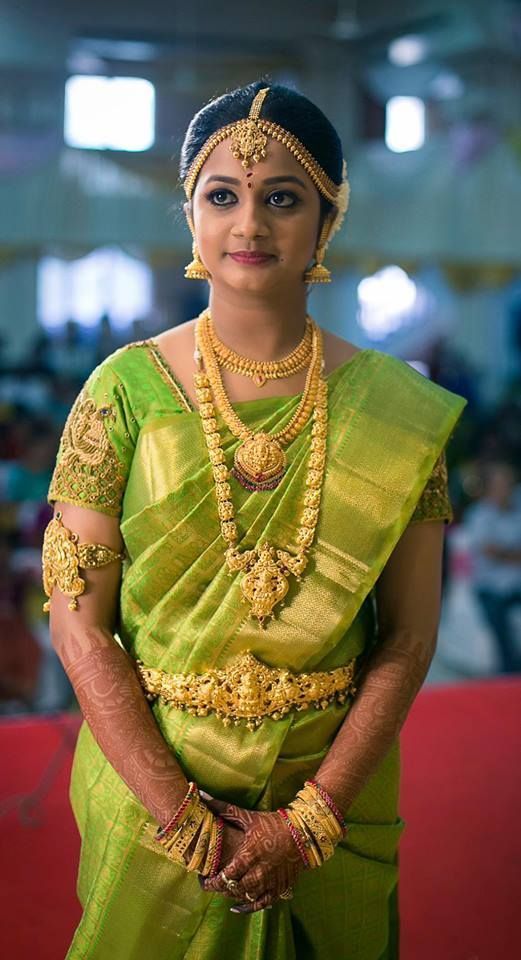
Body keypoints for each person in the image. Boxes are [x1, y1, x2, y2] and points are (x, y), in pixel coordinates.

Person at [43, 81, 467, 960]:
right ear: (189, 214)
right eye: (222, 196)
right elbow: (79, 627)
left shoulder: (396, 414)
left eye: (282, 198)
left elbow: (409, 638)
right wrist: (182, 818)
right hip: (153, 792)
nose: (249, 225)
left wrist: (311, 818)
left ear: (326, 219)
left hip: (331, 790)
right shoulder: (121, 393)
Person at [464, 459, 521, 674]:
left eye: (507, 484)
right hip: (491, 588)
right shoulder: (479, 515)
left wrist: (506, 553)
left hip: (516, 584)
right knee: (500, 626)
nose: (504, 489)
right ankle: (509, 673)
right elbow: (489, 550)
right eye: (499, 484)